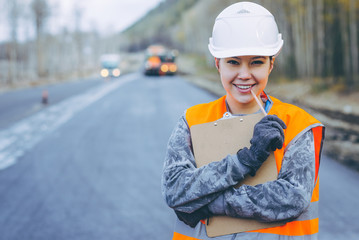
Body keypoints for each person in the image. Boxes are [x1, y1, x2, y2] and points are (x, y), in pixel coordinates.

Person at [161, 2, 325, 240]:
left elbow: (291, 199)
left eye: (256, 62)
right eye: (233, 62)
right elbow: (175, 190)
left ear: (271, 64)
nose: (245, 74)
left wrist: (205, 203)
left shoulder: (296, 124)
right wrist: (245, 161)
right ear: (218, 64)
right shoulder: (192, 121)